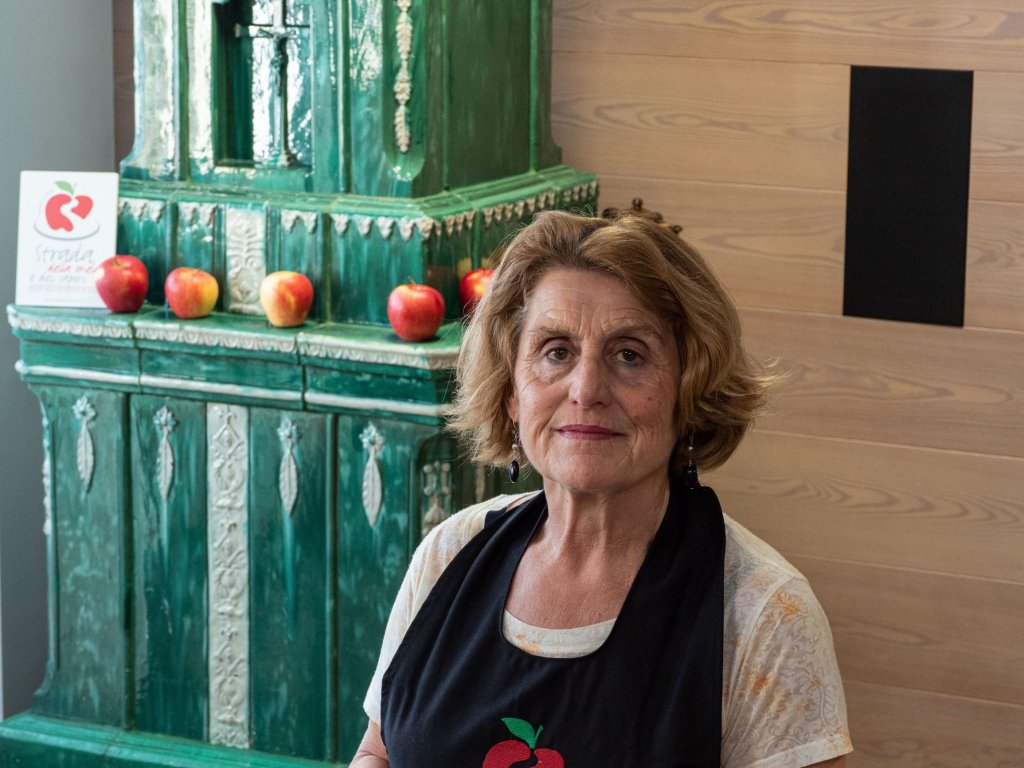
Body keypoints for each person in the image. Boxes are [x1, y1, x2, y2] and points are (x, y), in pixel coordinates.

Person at [352, 210, 853, 767]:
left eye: (629, 354)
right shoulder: (450, 552)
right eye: (556, 351)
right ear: (512, 392)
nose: (586, 388)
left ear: (690, 392)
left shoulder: (765, 614)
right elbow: (378, 751)